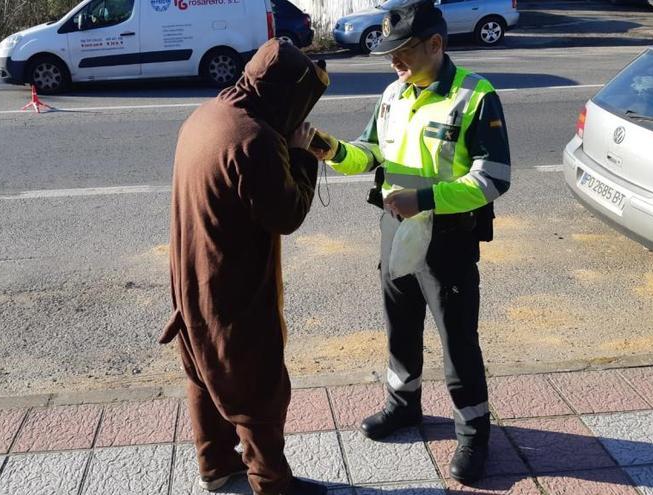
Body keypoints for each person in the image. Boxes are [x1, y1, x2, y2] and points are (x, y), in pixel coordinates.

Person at [310, 0, 511, 485]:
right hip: (395, 232)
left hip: (449, 239)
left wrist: (425, 199)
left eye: (402, 51)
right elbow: (369, 153)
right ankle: (403, 406)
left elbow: (494, 177)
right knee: (399, 328)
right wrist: (323, 146)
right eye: (388, 53)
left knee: (458, 341)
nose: (393, 61)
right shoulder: (393, 94)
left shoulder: (475, 96)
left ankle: (473, 434)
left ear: (436, 45)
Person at [159, 39, 330, 495]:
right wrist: (301, 154)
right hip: (231, 286)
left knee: (202, 370)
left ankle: (215, 466)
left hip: (190, 279)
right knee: (258, 385)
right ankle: (271, 483)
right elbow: (287, 214)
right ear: (286, 95)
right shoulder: (254, 139)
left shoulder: (209, 113)